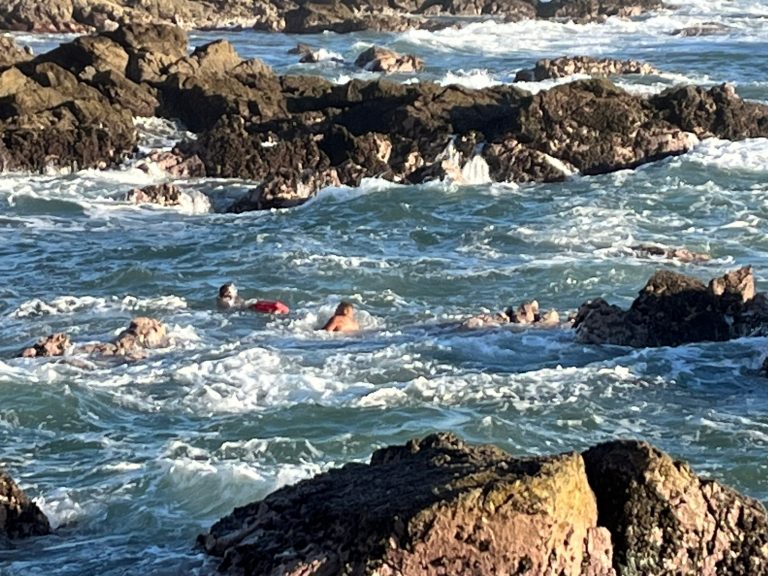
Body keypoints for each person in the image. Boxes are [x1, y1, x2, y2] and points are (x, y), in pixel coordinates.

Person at [216, 283, 289, 314]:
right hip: (244, 308)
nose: (235, 290)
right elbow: (230, 306)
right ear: (227, 293)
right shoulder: (225, 300)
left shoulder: (233, 298)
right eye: (233, 289)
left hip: (245, 308)